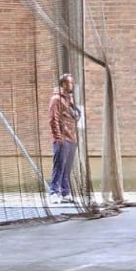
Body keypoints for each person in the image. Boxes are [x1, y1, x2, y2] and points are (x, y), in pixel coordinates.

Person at [48, 72, 81, 204]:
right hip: (62, 139)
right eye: (68, 82)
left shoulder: (69, 99)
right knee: (59, 166)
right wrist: (58, 137)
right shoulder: (56, 99)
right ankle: (54, 192)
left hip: (71, 138)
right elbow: (53, 119)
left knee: (67, 167)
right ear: (62, 84)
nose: (71, 85)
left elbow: (75, 116)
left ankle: (65, 192)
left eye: (72, 82)